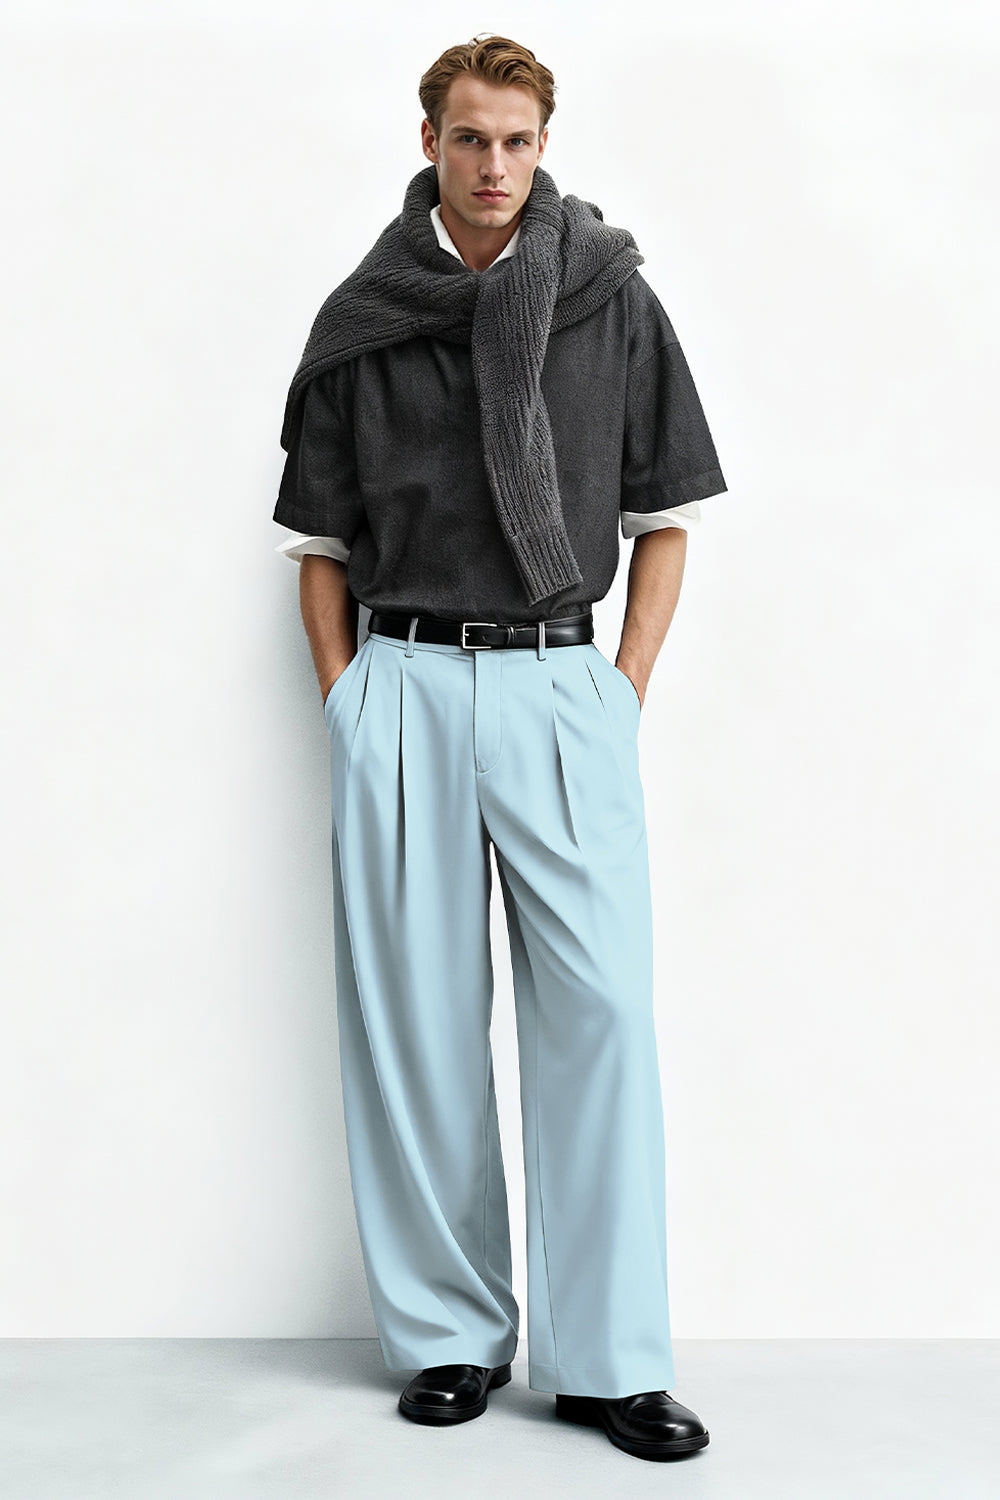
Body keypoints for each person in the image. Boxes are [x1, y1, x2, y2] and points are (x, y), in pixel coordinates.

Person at [273, 34, 727, 1463]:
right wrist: (349, 700)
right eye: (471, 138)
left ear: (544, 144)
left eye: (518, 141)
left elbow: (665, 520)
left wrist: (620, 690)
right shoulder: (364, 317)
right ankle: (450, 1339)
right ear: (429, 142)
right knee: (416, 1025)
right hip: (404, 682)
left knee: (601, 1019)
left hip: (559, 683)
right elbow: (321, 544)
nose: (495, 166)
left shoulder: (610, 298)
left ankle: (609, 1361)